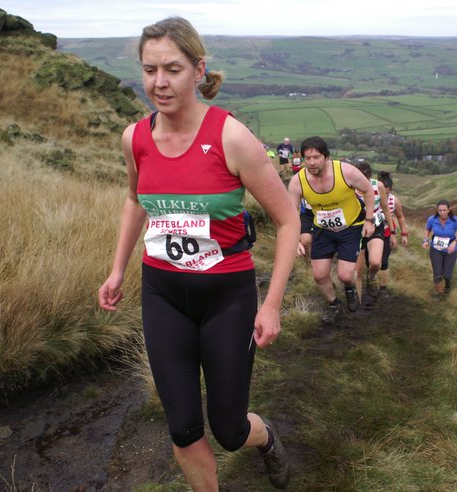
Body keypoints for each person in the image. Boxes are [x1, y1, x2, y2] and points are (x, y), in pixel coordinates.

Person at [97, 17, 298, 491]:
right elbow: (134, 200)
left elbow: (289, 221)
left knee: (229, 430)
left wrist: (272, 304)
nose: (159, 83)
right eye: (150, 70)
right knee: (183, 429)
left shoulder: (232, 137)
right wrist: (117, 269)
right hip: (162, 292)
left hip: (226, 296)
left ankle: (265, 437)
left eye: (172, 69)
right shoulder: (134, 138)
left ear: (198, 69)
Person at [288, 136, 375, 324]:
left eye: (316, 157)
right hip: (322, 229)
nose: (312, 162)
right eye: (307, 158)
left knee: (345, 274)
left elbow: (368, 191)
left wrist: (369, 220)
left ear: (326, 157)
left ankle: (350, 287)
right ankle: (334, 305)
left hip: (351, 227)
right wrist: (294, 240)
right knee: (319, 275)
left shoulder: (346, 172)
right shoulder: (297, 182)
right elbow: (292, 214)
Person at [353, 162, 393, 305]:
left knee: (376, 263)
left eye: (366, 179)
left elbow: (386, 208)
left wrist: (392, 231)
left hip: (376, 226)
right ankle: (357, 303)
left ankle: (371, 277)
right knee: (357, 271)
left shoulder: (378, 186)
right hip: (356, 229)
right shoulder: (349, 187)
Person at [375, 171, 409, 297]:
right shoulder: (370, 195)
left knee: (383, 261)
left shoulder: (394, 201)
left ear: (389, 189)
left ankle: (382, 288)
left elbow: (400, 217)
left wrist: (403, 234)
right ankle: (370, 279)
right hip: (370, 232)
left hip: (386, 233)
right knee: (372, 262)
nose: (383, 194)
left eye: (386, 191)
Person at [422, 199, 457, 297]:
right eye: (440, 210)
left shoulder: (455, 220)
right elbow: (427, 230)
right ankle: (441, 296)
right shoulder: (432, 219)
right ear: (437, 211)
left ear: (449, 210)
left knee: (447, 275)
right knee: (437, 275)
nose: (442, 213)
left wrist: (455, 242)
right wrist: (425, 240)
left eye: (444, 210)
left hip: (450, 250)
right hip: (435, 249)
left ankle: (448, 284)